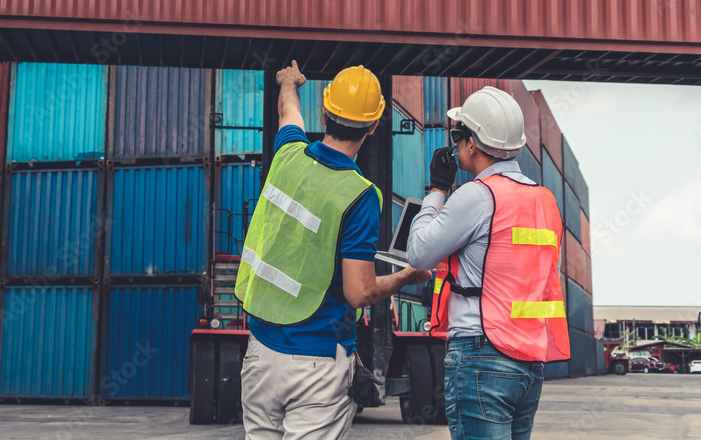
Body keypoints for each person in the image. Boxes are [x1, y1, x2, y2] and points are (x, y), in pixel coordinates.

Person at [237, 61, 431, 440]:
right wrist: (409, 274)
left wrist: (289, 82)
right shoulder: (359, 195)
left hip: (259, 353)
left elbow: (288, 110)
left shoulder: (288, 153)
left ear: (324, 112)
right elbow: (359, 292)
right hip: (318, 361)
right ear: (374, 126)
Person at [407, 86, 569, 440]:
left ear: (472, 144)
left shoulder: (477, 196)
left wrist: (437, 188)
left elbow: (418, 252)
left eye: (457, 135)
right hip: (529, 363)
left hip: (481, 356)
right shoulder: (545, 201)